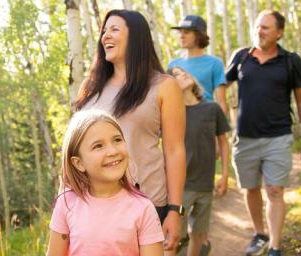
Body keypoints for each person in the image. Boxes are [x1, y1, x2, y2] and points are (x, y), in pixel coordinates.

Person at [74, 9, 187, 252]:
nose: (105, 36)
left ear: (136, 37)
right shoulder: (90, 87)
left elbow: (174, 150)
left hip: (147, 203)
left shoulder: (164, 86)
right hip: (93, 205)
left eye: (114, 29)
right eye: (104, 31)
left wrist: (175, 210)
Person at [222, 10, 301, 256]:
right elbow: (221, 85)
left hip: (278, 137)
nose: (258, 31)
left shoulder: (290, 61)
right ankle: (259, 234)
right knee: (250, 189)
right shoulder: (241, 57)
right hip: (245, 138)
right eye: (257, 26)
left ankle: (275, 246)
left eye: (265, 28)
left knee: (274, 191)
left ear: (279, 33)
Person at [46, 110, 164, 256]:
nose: (112, 151)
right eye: (98, 146)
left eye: (117, 140)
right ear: (79, 163)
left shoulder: (143, 208)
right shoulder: (66, 203)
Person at [169, 67, 231, 256]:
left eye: (183, 72)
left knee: (199, 233)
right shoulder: (172, 113)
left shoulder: (212, 108)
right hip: (181, 186)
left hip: (206, 184)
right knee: (174, 236)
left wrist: (225, 175)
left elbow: (223, 141)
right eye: (176, 75)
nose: (184, 74)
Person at [167, 15, 228, 114]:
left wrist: (222, 128)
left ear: (199, 35)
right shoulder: (173, 65)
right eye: (180, 32)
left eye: (186, 32)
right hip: (181, 119)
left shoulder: (215, 63)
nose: (181, 36)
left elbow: (221, 102)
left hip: (206, 119)